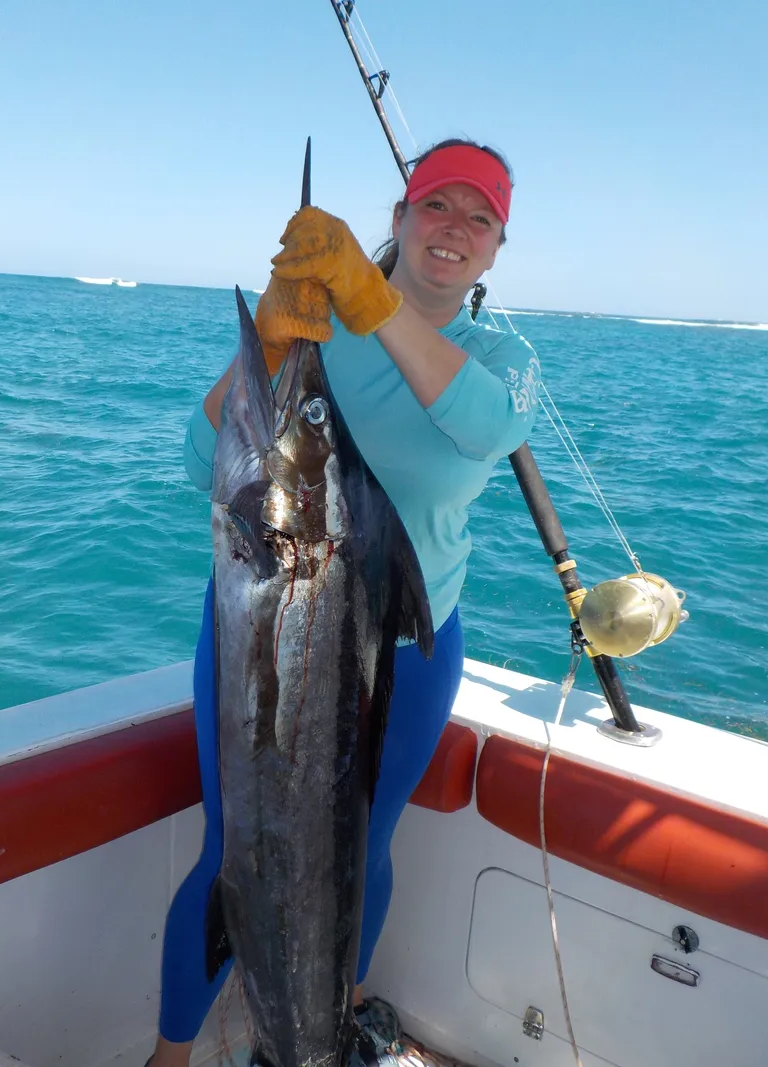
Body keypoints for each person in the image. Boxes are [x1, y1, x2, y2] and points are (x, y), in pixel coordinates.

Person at [148, 138, 540, 1067]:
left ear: (496, 249)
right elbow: (203, 465)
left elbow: (487, 427)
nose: (455, 230)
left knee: (362, 848)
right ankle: (166, 1058)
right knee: (231, 852)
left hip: (406, 646)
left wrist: (375, 297)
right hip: (273, 625)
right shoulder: (317, 323)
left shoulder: (500, 353)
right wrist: (280, 341)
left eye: (479, 219)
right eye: (436, 206)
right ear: (400, 216)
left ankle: (330, 1023)